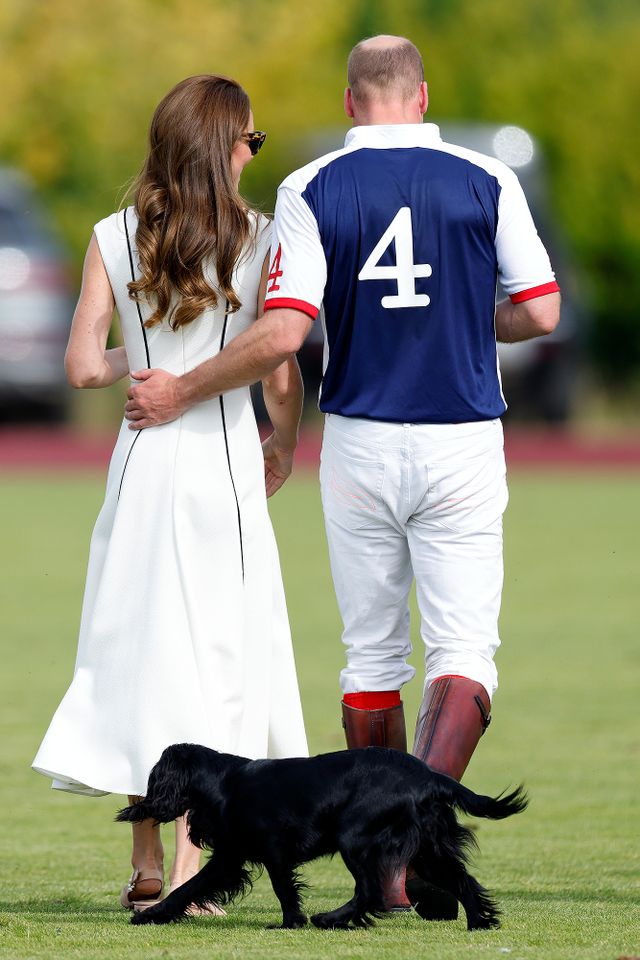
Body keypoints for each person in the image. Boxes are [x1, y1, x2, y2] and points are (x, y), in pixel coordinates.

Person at [122, 38, 561, 912]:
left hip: (359, 437)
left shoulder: (310, 186)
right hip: (464, 438)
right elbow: (542, 309)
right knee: (464, 651)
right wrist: (469, 323)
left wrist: (182, 387)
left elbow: (285, 334)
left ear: (352, 101)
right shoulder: (488, 176)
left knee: (370, 654)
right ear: (423, 95)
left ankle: (397, 864)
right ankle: (414, 851)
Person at [32, 74, 308, 914]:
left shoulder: (113, 233)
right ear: (222, 144)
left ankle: (146, 859)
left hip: (140, 466)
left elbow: (82, 366)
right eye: (249, 139)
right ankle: (193, 871)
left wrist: (140, 355)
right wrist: (286, 444)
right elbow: (280, 362)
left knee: (136, 651)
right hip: (220, 465)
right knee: (217, 662)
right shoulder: (259, 237)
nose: (252, 153)